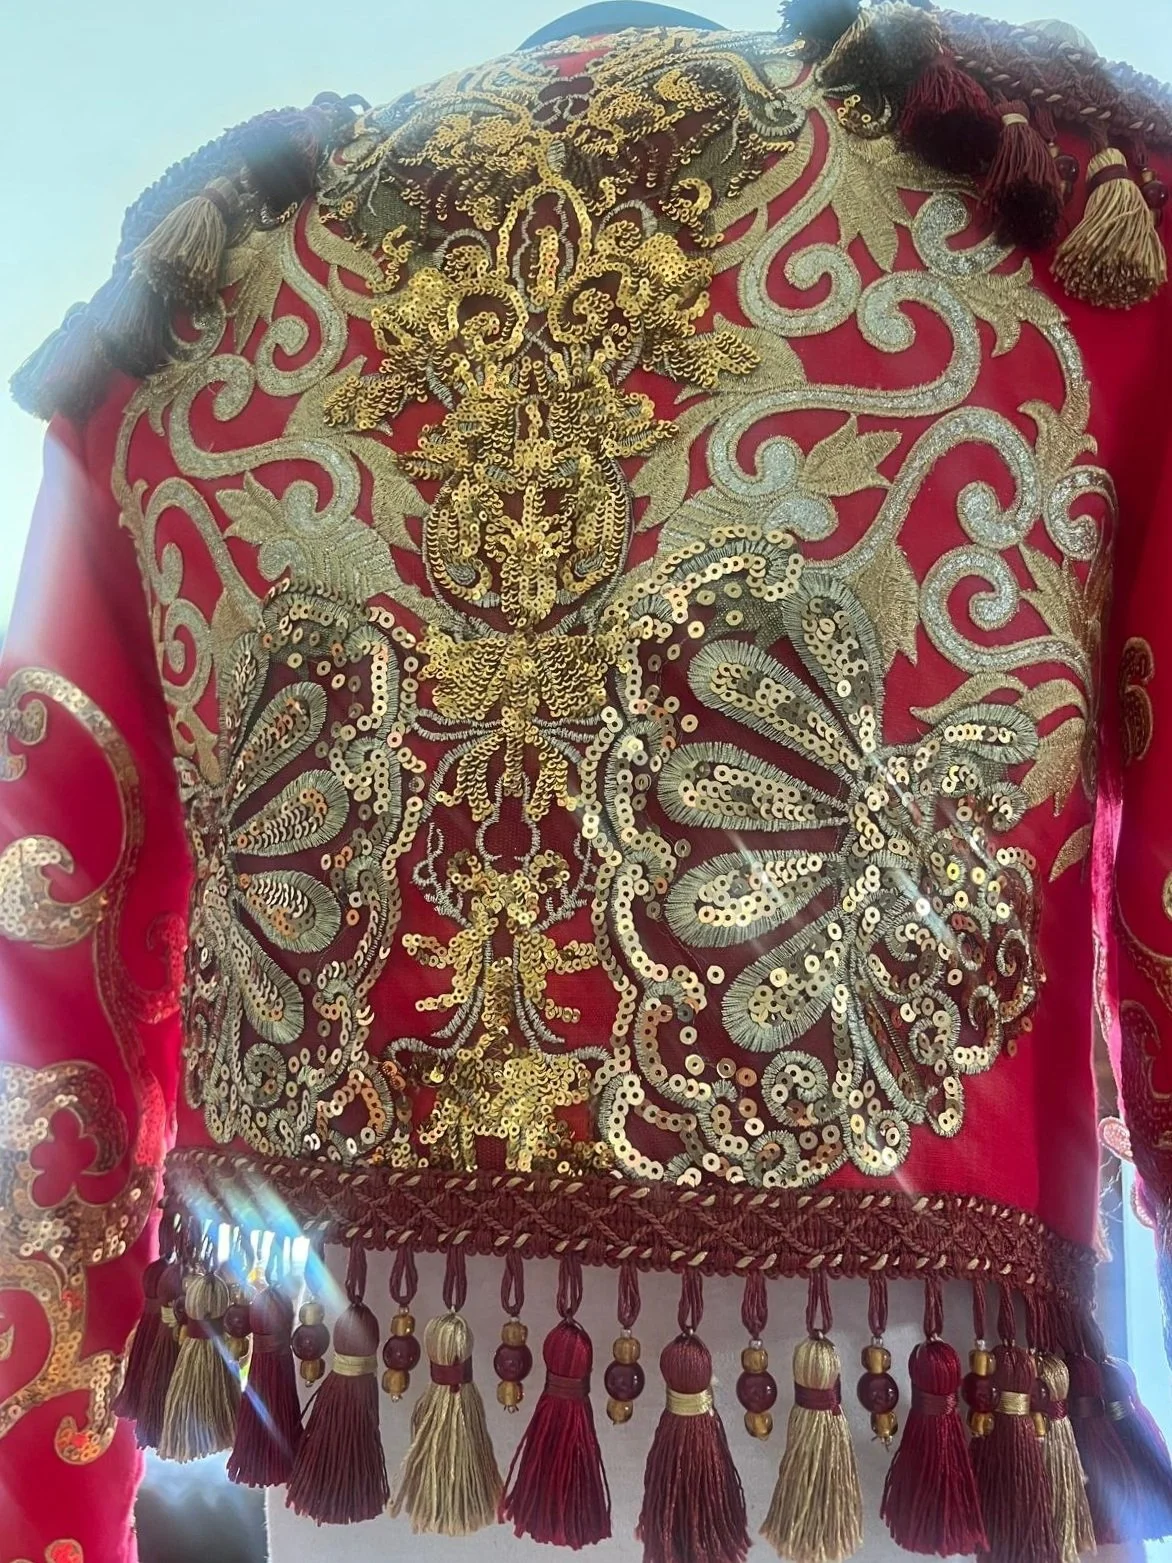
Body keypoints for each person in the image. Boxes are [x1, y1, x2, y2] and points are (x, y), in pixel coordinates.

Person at [4, 3, 1172, 1560]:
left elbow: (50, 1004)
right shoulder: (1076, 242)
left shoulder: (204, 324)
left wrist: (46, 1520)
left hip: (367, 1449)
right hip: (906, 1437)